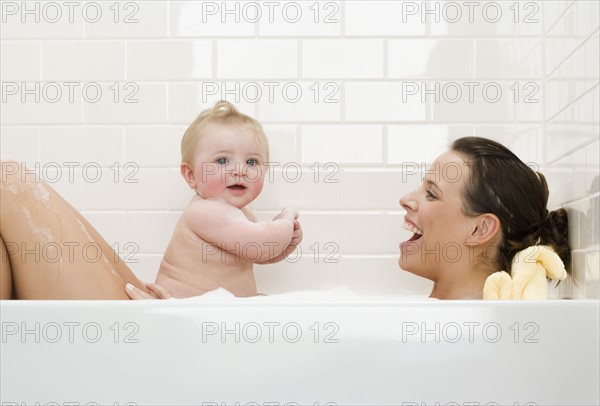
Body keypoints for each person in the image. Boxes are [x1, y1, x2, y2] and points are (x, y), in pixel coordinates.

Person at [0, 101, 302, 299]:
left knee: (8, 183)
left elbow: (259, 251)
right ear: (191, 176)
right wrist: (285, 221)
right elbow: (260, 244)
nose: (240, 169)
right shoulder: (207, 212)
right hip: (174, 320)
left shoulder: (239, 216)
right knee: (7, 178)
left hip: (178, 326)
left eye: (252, 162)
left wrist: (281, 243)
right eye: (222, 160)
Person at [398, 136, 571, 299]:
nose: (405, 200)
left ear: (481, 229)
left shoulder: (479, 329)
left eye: (431, 193)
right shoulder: (431, 320)